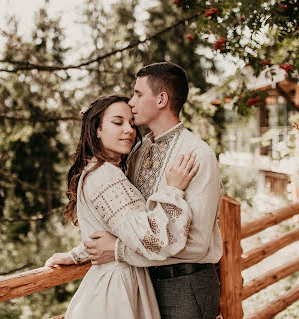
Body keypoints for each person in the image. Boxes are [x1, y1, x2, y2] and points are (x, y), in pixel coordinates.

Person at [84, 62, 223, 319]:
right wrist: (80, 253)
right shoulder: (139, 152)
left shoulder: (197, 155)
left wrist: (120, 252)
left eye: (138, 94)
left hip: (185, 286)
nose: (131, 101)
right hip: (145, 286)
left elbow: (198, 244)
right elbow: (127, 222)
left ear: (161, 99)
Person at [45, 94, 199, 319]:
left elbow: (114, 230)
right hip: (117, 292)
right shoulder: (105, 175)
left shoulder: (101, 171)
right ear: (97, 129)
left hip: (120, 285)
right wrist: (173, 190)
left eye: (131, 123)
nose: (128, 130)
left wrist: (78, 254)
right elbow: (156, 238)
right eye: (117, 122)